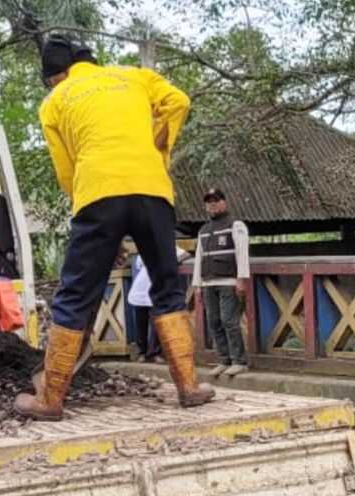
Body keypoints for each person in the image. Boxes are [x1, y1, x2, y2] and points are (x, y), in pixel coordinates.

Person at [15, 33, 213, 420]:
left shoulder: (56, 100)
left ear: (56, 76)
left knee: (75, 293)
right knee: (166, 285)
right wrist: (157, 147)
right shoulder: (135, 76)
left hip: (98, 194)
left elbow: (66, 170)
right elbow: (179, 101)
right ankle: (189, 387)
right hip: (153, 192)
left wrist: (96, 223)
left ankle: (50, 399)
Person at [197, 189, 249, 377]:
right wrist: (197, 285)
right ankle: (224, 359)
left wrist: (241, 279)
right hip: (208, 282)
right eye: (209, 201)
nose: (212, 204)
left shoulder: (235, 225)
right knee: (214, 321)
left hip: (228, 280)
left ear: (223, 202)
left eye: (216, 200)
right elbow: (199, 258)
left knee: (229, 320)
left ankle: (239, 361)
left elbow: (242, 253)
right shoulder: (203, 230)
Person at [128, 245, 189, 362]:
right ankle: (142, 352)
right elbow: (139, 266)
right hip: (140, 290)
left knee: (157, 324)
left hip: (157, 291)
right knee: (141, 324)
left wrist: (170, 263)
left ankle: (154, 353)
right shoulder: (144, 248)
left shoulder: (168, 246)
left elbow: (185, 255)